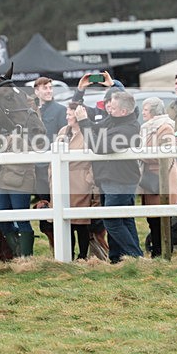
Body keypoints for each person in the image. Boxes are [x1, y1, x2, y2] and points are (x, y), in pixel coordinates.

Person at [76, 91, 143, 263]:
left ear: (124, 111)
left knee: (112, 221)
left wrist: (83, 122)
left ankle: (135, 256)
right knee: (124, 220)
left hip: (120, 180)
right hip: (109, 178)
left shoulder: (129, 129)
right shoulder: (114, 120)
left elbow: (98, 146)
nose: (108, 109)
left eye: (112, 107)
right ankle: (118, 258)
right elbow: (95, 129)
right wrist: (81, 110)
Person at [51, 103, 99, 259]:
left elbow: (93, 159)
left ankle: (83, 256)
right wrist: (53, 176)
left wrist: (88, 179)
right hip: (62, 181)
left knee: (81, 222)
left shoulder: (87, 132)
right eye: (67, 114)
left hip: (80, 181)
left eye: (70, 114)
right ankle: (68, 255)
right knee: (66, 223)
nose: (67, 117)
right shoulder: (63, 131)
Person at [139, 97, 177, 258]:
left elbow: (164, 155)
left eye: (146, 110)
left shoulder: (165, 128)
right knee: (152, 219)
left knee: (161, 219)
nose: (143, 112)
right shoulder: (147, 128)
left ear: (154, 111)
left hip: (162, 178)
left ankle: (162, 251)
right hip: (150, 178)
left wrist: (141, 156)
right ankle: (157, 251)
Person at [32, 77, 67, 247]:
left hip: (53, 168)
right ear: (36, 91)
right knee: (43, 211)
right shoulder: (32, 111)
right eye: (44, 88)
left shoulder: (60, 110)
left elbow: (64, 137)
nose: (48, 91)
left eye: (50, 88)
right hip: (36, 169)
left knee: (55, 209)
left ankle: (60, 249)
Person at [0, 131, 38, 257]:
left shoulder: (21, 139)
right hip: (4, 181)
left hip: (21, 182)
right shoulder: (6, 137)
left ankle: (25, 256)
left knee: (22, 219)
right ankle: (18, 249)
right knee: (1, 217)